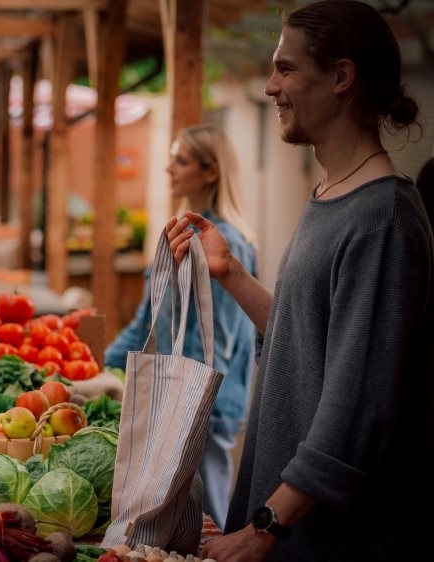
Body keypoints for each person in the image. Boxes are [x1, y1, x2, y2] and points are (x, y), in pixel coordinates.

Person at [167, 2, 434, 560]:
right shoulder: (331, 197)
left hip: (331, 541)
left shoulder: (382, 218)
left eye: (285, 69)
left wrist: (265, 528)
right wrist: (231, 274)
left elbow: (357, 406)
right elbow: (308, 344)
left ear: (340, 76)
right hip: (294, 531)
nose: (269, 87)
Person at [104, 124, 257, 529]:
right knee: (179, 524)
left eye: (181, 160)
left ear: (211, 171)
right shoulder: (181, 231)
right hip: (174, 400)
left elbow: (219, 341)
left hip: (200, 405)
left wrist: (190, 407)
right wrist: (103, 366)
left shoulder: (225, 242)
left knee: (209, 523)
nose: (169, 167)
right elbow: (147, 320)